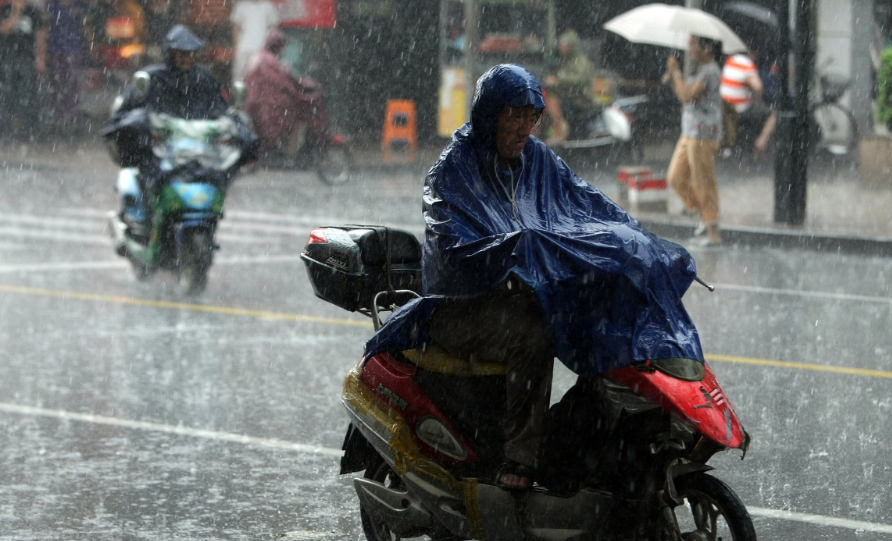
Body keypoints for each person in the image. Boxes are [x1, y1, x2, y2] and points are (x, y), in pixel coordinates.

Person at [364, 64, 704, 491]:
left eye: (532, 116)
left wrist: (641, 244)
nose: (524, 127)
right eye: (514, 116)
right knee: (533, 334)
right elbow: (456, 253)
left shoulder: (539, 160)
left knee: (598, 316)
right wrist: (516, 249)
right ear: (489, 115)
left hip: (522, 294)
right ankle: (520, 461)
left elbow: (589, 207)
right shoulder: (452, 170)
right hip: (459, 308)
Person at [104, 24, 230, 193]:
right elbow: (125, 114)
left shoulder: (204, 78)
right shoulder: (152, 78)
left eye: (191, 53)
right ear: (170, 53)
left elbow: (220, 110)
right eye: (181, 53)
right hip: (161, 151)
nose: (187, 58)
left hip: (200, 149)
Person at [665, 36, 724, 246]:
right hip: (689, 131)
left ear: (706, 47)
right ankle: (704, 217)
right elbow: (683, 94)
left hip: (703, 134)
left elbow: (687, 96)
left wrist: (677, 72)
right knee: (676, 177)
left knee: (703, 182)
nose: (690, 49)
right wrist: (675, 79)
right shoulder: (699, 70)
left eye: (693, 44)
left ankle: (713, 233)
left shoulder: (710, 71)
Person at [243, 29, 330, 156]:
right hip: (272, 105)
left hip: (256, 103)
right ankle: (291, 151)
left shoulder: (259, 58)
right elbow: (287, 82)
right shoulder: (271, 61)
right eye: (282, 46)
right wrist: (308, 86)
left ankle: (286, 149)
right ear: (278, 46)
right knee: (303, 116)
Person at [0, 0, 47, 142]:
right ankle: (5, 131)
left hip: (27, 58)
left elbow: (40, 36)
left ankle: (31, 131)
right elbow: (4, 30)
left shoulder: (33, 12)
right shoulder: (7, 9)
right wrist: (16, 12)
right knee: (8, 94)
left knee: (29, 94)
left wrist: (41, 58)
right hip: (9, 57)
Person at [720, 45, 776, 157]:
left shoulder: (730, 61)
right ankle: (761, 143)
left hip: (725, 106)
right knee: (773, 115)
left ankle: (730, 145)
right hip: (740, 108)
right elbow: (758, 86)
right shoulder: (747, 65)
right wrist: (757, 99)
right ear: (752, 54)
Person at [45, 0, 90, 133]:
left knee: (73, 83)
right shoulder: (52, 5)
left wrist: (90, 44)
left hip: (73, 49)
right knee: (57, 83)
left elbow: (85, 26)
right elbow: (46, 27)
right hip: (56, 50)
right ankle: (60, 118)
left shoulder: (79, 5)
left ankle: (73, 117)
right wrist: (45, 51)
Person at [545, 29, 596, 140]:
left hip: (581, 99)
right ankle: (553, 132)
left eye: (564, 45)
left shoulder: (581, 61)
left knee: (553, 102)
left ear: (571, 46)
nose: (561, 48)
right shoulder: (565, 61)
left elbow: (579, 79)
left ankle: (559, 134)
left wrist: (558, 80)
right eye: (560, 45)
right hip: (569, 97)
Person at [230, 0, 279, 84]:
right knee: (240, 78)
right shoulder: (241, 6)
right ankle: (240, 96)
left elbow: (274, 29)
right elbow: (236, 28)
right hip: (244, 49)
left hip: (262, 50)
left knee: (262, 79)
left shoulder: (268, 6)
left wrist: (270, 48)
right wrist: (238, 46)